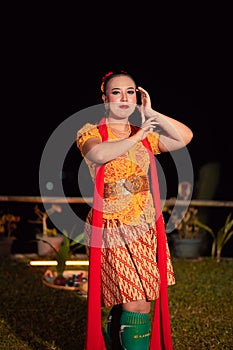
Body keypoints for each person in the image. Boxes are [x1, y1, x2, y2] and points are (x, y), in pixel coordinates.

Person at [76, 71, 193, 350]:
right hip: (112, 227)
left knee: (140, 298)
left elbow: (185, 136)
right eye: (117, 92)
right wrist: (138, 134)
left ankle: (117, 337)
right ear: (105, 99)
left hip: (144, 225)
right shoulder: (90, 132)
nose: (124, 97)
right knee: (138, 302)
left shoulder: (145, 137)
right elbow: (98, 155)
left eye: (131, 92)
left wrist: (152, 113)